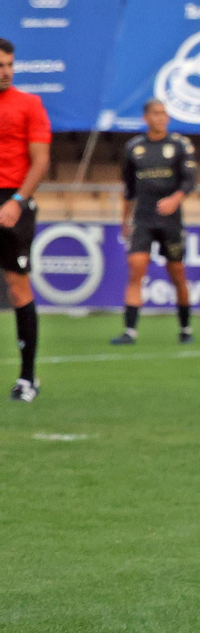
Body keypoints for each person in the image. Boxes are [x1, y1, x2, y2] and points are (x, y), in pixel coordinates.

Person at [112, 100, 196, 346]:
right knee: (136, 269)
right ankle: (129, 331)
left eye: (164, 113)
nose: (161, 117)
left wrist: (174, 200)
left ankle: (185, 327)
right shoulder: (134, 148)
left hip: (171, 221)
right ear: (145, 118)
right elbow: (128, 189)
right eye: (156, 113)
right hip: (143, 218)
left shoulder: (180, 145)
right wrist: (124, 220)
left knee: (177, 273)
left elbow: (190, 181)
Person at [0, 37, 50, 402]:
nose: (6, 72)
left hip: (12, 200)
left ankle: (27, 378)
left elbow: (41, 160)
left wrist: (18, 200)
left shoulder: (29, 104)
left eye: (9, 65)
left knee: (17, 286)